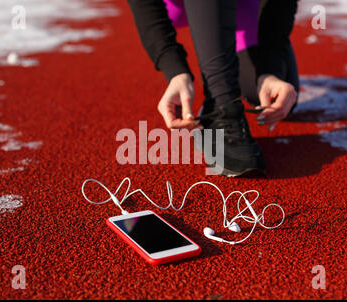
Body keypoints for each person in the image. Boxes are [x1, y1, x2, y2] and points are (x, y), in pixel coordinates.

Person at [128, 0, 299, 177]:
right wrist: (175, 71)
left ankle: (223, 88)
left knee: (275, 96)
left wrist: (269, 70)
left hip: (239, 5)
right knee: (228, 93)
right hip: (175, 4)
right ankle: (220, 106)